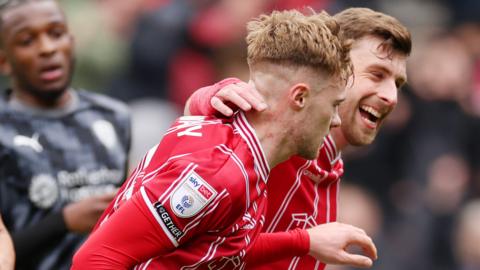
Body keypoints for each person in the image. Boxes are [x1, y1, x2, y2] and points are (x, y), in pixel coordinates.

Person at [72, 9, 376, 269]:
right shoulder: (219, 173)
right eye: (334, 105)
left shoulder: (247, 155)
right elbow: (95, 259)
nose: (336, 119)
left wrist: (304, 240)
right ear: (299, 98)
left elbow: (217, 247)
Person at [186, 7, 411, 269]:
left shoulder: (329, 167)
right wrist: (208, 97)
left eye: (397, 84)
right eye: (377, 75)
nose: (391, 97)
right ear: (336, 68)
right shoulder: (277, 130)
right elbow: (198, 244)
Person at [0, 1, 131, 269]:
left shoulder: (113, 116)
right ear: (4, 61)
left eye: (57, 33)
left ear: (72, 41)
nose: (48, 48)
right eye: (27, 41)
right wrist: (63, 222)